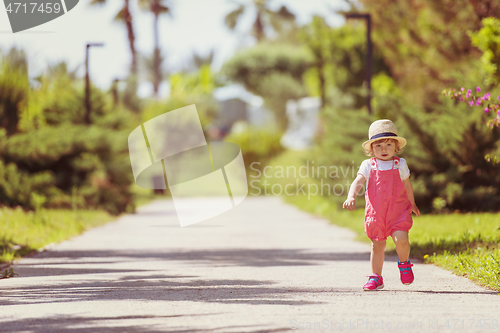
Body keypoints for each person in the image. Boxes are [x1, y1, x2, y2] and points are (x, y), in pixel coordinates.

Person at [343, 119, 420, 291]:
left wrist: (412, 203)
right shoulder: (368, 165)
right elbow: (358, 181)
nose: (383, 149)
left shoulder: (399, 164)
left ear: (396, 147)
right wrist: (351, 196)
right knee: (377, 245)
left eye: (388, 144)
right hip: (376, 214)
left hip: (398, 211)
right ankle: (376, 277)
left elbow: (407, 185)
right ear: (371, 149)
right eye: (378, 146)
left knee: (401, 239)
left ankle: (404, 264)